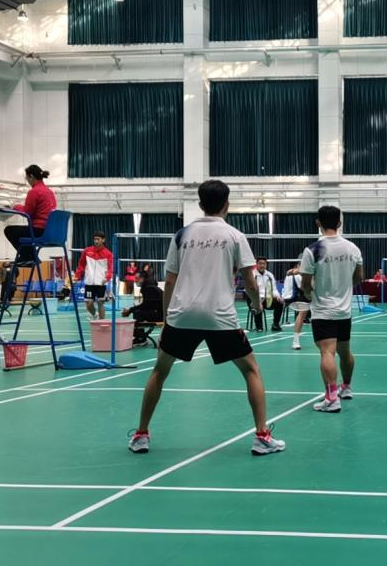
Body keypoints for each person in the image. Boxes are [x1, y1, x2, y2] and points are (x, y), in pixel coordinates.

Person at [127, 180, 284, 456]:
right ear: (227, 204)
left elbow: (170, 281)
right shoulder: (235, 236)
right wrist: (257, 304)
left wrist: (167, 321)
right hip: (219, 317)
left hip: (182, 316)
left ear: (200, 204)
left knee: (159, 371)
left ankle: (141, 435)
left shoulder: (182, 235)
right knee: (251, 370)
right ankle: (261, 436)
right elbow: (250, 281)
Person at [298, 205, 364, 414]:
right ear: (339, 223)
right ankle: (346, 387)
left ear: (318, 223)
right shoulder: (353, 248)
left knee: (327, 352)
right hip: (345, 311)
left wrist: (309, 294)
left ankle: (332, 399)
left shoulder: (312, 250)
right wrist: (343, 288)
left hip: (323, 311)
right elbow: (359, 277)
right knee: (345, 352)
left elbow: (305, 283)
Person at [3, 164, 57, 267]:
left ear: (31, 176)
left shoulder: (34, 191)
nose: (27, 181)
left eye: (26, 178)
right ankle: (32, 257)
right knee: (24, 232)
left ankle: (28, 257)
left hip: (38, 231)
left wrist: (15, 206)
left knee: (9, 230)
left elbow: (27, 212)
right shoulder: (50, 192)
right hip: (51, 232)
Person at [74, 232, 114, 321]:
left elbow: (110, 268)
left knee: (100, 303)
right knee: (88, 303)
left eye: (98, 239)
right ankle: (95, 315)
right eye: (95, 239)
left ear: (103, 240)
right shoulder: (87, 251)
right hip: (89, 282)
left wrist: (107, 278)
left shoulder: (108, 254)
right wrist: (77, 276)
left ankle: (102, 322)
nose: (96, 241)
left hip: (101, 283)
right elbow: (81, 264)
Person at [121, 272, 163, 346]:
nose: (135, 280)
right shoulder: (149, 287)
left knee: (137, 313)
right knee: (138, 311)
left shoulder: (149, 288)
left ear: (143, 279)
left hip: (160, 315)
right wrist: (131, 309)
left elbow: (146, 305)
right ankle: (140, 337)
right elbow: (147, 305)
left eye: (137, 278)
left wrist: (130, 310)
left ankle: (140, 338)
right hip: (158, 312)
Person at [243, 257, 284, 332]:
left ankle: (275, 324)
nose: (262, 265)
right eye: (260, 263)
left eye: (264, 264)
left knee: (279, 303)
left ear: (266, 265)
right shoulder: (252, 275)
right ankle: (259, 327)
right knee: (257, 305)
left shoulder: (269, 275)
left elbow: (274, 289)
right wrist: (257, 300)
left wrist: (278, 296)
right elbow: (248, 290)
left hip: (267, 299)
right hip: (253, 298)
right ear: (256, 264)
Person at [283, 265, 310, 350]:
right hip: (297, 298)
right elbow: (302, 287)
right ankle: (295, 341)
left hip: (304, 296)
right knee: (302, 314)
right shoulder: (297, 274)